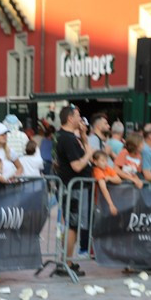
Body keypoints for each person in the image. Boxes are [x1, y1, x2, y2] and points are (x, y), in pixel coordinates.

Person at [53, 105, 92, 276]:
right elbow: (77, 165)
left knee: (73, 225)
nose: (80, 119)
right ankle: (65, 262)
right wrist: (90, 153)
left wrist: (84, 138)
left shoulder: (64, 136)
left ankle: (66, 260)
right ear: (70, 118)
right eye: (78, 116)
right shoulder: (67, 138)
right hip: (73, 187)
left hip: (73, 186)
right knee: (73, 225)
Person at [92, 150, 123, 216]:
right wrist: (111, 204)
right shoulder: (97, 170)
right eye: (102, 161)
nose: (105, 163)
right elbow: (103, 188)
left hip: (106, 200)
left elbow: (119, 180)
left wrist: (109, 178)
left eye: (106, 160)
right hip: (97, 202)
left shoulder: (108, 168)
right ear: (95, 162)